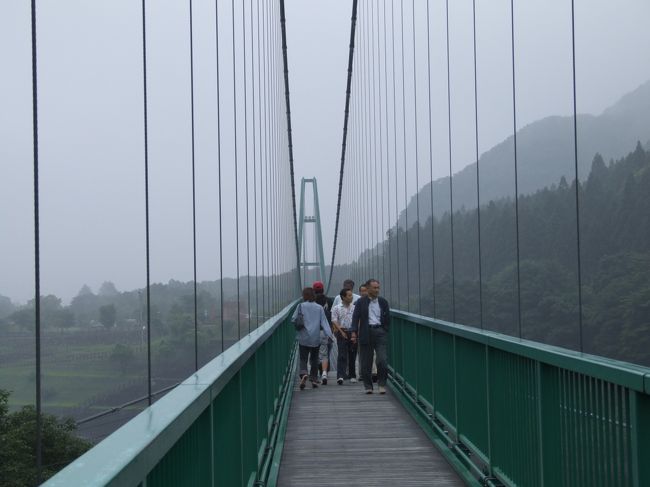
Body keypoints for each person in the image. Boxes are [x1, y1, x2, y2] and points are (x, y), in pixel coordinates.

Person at [351, 279, 390, 394]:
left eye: (378, 287)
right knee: (366, 362)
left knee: (382, 360)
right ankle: (368, 386)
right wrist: (354, 332)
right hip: (365, 332)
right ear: (368, 289)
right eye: (374, 288)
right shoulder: (360, 302)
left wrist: (384, 329)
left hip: (379, 332)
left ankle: (382, 384)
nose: (377, 290)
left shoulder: (383, 302)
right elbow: (355, 317)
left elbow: (387, 317)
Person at [292, 287, 334, 389]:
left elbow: (293, 319)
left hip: (303, 337)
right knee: (314, 359)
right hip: (315, 337)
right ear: (314, 295)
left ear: (304, 295)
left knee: (303, 358)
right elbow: (324, 322)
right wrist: (330, 335)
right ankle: (314, 379)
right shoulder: (319, 307)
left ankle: (304, 373)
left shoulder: (300, 306)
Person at [331, 288, 357, 385]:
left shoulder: (354, 308)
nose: (351, 297)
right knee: (342, 354)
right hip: (342, 332)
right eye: (349, 295)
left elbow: (357, 320)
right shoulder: (336, 308)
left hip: (352, 332)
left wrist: (355, 332)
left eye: (351, 295)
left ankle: (352, 375)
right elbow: (334, 320)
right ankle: (340, 376)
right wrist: (340, 331)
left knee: (352, 354)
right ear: (343, 297)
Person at [312, 281, 334, 385]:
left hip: (313, 331)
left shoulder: (310, 302)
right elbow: (333, 315)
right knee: (326, 352)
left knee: (314, 352)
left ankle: (315, 373)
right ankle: (324, 372)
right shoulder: (330, 301)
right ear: (323, 289)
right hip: (326, 330)